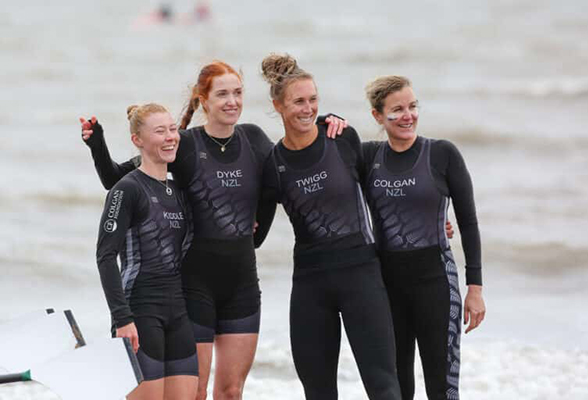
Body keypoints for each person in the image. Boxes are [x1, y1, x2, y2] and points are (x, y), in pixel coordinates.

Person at [80, 61, 345, 400]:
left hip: (242, 284)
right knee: (196, 392)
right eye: (222, 94)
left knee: (232, 392)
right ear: (204, 100)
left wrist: (321, 122)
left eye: (237, 93)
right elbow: (119, 180)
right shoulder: (183, 144)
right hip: (195, 287)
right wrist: (97, 144)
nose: (232, 101)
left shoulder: (254, 139)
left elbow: (283, 175)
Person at [259, 53, 402, 400]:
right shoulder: (273, 165)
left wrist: (429, 220)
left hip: (361, 275)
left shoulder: (341, 138)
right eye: (298, 102)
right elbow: (254, 235)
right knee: (318, 392)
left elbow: (381, 191)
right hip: (310, 284)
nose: (307, 109)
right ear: (278, 105)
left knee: (383, 385)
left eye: (313, 100)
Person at [363, 76, 486, 400]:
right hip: (387, 289)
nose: (408, 115)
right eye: (397, 109)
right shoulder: (368, 158)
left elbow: (468, 222)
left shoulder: (442, 154)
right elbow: (325, 156)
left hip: (436, 286)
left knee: (442, 388)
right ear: (377, 116)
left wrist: (475, 287)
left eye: (413, 106)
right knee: (396, 388)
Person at [92, 103, 198, 400]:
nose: (170, 137)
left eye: (172, 130)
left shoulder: (178, 191)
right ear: (137, 140)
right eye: (159, 131)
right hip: (139, 311)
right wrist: (122, 319)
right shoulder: (126, 190)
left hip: (178, 312)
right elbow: (104, 257)